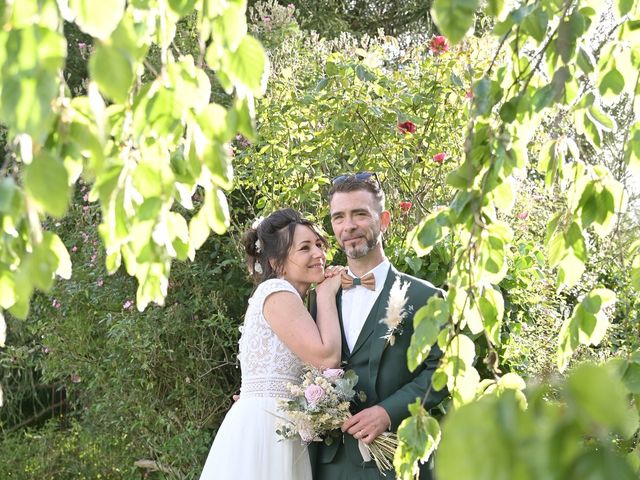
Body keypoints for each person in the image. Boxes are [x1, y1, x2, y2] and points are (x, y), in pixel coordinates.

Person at [311, 173, 448, 480]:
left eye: (360, 214)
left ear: (384, 220)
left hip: (394, 460)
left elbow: (444, 371)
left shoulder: (426, 297)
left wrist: (389, 412)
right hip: (328, 465)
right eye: (339, 217)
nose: (349, 226)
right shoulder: (320, 295)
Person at [199, 208, 344, 480]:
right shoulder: (278, 292)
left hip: (274, 421)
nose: (319, 254)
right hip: (268, 427)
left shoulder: (285, 296)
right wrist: (326, 293)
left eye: (318, 244)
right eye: (305, 248)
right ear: (277, 262)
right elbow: (327, 360)